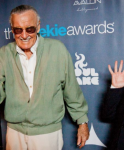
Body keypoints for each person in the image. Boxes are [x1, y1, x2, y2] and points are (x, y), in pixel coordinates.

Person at [0, 5, 89, 150]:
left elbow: (71, 90)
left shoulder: (57, 50)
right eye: (18, 30)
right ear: (12, 30)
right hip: (14, 133)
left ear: (38, 26)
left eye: (29, 29)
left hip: (48, 134)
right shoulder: (3, 54)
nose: (24, 35)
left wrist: (82, 122)